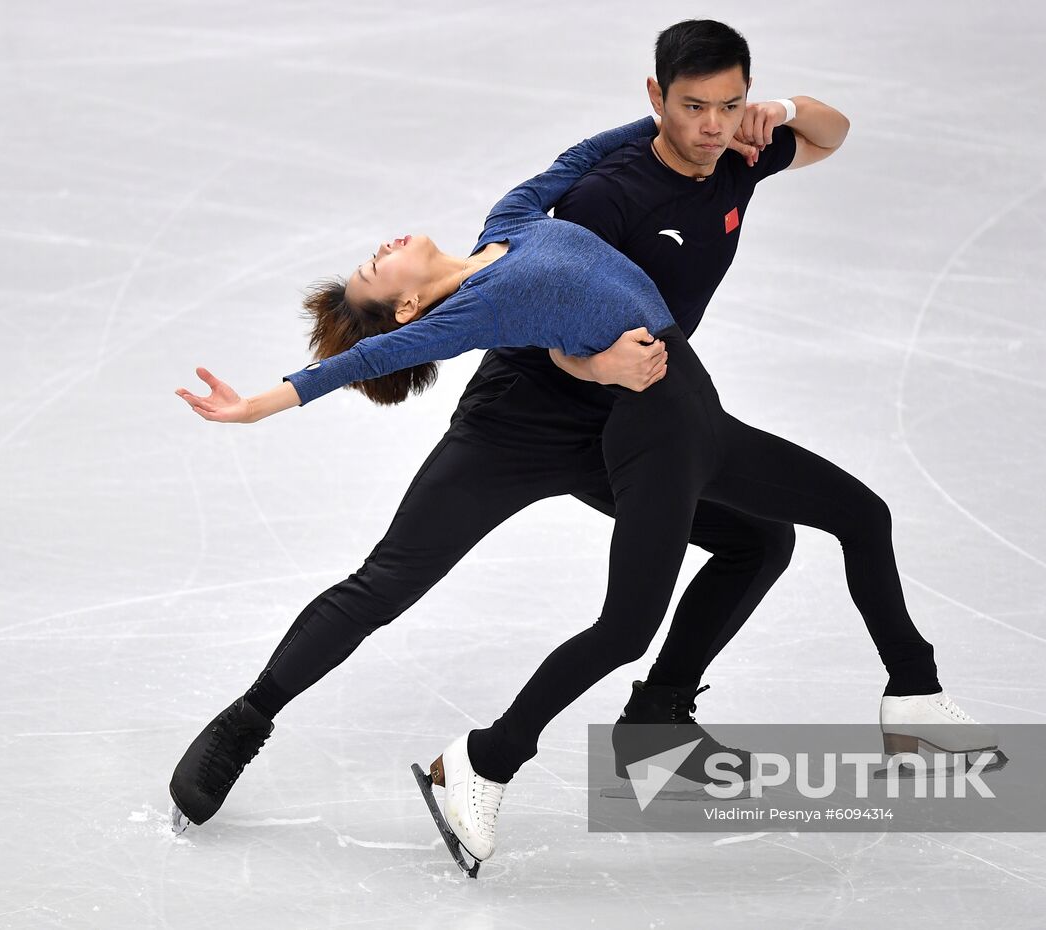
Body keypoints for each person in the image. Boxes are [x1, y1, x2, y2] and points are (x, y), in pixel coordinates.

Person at [167, 21, 994, 857]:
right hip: (520, 420)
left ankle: (656, 725)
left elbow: (814, 136)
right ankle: (248, 717)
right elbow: (488, 322)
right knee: (392, 578)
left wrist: (758, 113)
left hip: (633, 423)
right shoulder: (601, 204)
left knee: (758, 540)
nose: (713, 123)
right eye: (694, 107)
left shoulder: (567, 199)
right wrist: (263, 404)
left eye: (727, 105)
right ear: (661, 102)